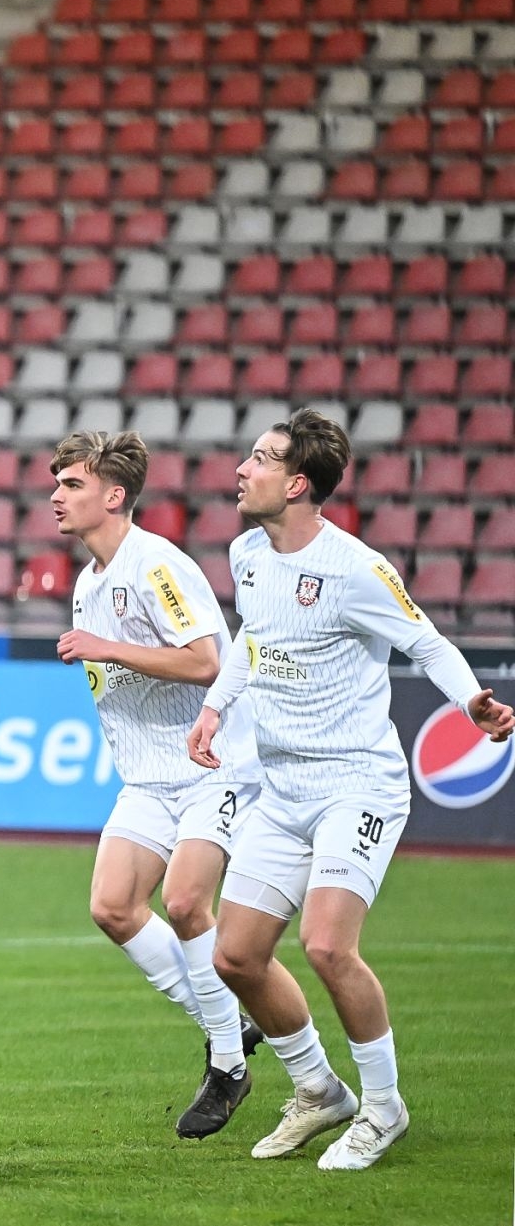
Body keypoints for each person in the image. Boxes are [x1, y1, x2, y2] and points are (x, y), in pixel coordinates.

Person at [188, 408, 513, 1170]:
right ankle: (317, 1090)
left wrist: (471, 701)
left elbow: (425, 639)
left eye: (260, 458)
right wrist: (213, 707)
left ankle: (383, 1106)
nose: (242, 468)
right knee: (234, 956)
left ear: (298, 482)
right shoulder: (246, 553)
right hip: (283, 784)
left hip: (356, 785)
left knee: (329, 944)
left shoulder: (355, 568)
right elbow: (252, 643)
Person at [49, 430, 263, 1139]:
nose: (56, 495)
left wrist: (107, 647)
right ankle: (230, 1018)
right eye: (57, 482)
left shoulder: (158, 566)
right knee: (112, 906)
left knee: (185, 901)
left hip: (208, 766)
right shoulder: (88, 583)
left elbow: (207, 660)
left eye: (72, 484)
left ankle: (228, 1063)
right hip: (146, 777)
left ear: (114, 495)